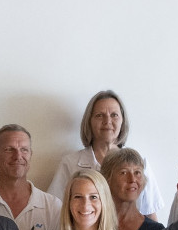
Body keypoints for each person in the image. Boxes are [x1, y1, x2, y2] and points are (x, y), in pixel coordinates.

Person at [48, 90, 162, 220]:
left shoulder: (140, 163)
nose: (107, 121)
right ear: (89, 121)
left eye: (114, 115)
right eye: (99, 115)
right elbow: (55, 211)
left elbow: (150, 212)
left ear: (122, 121)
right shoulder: (70, 163)